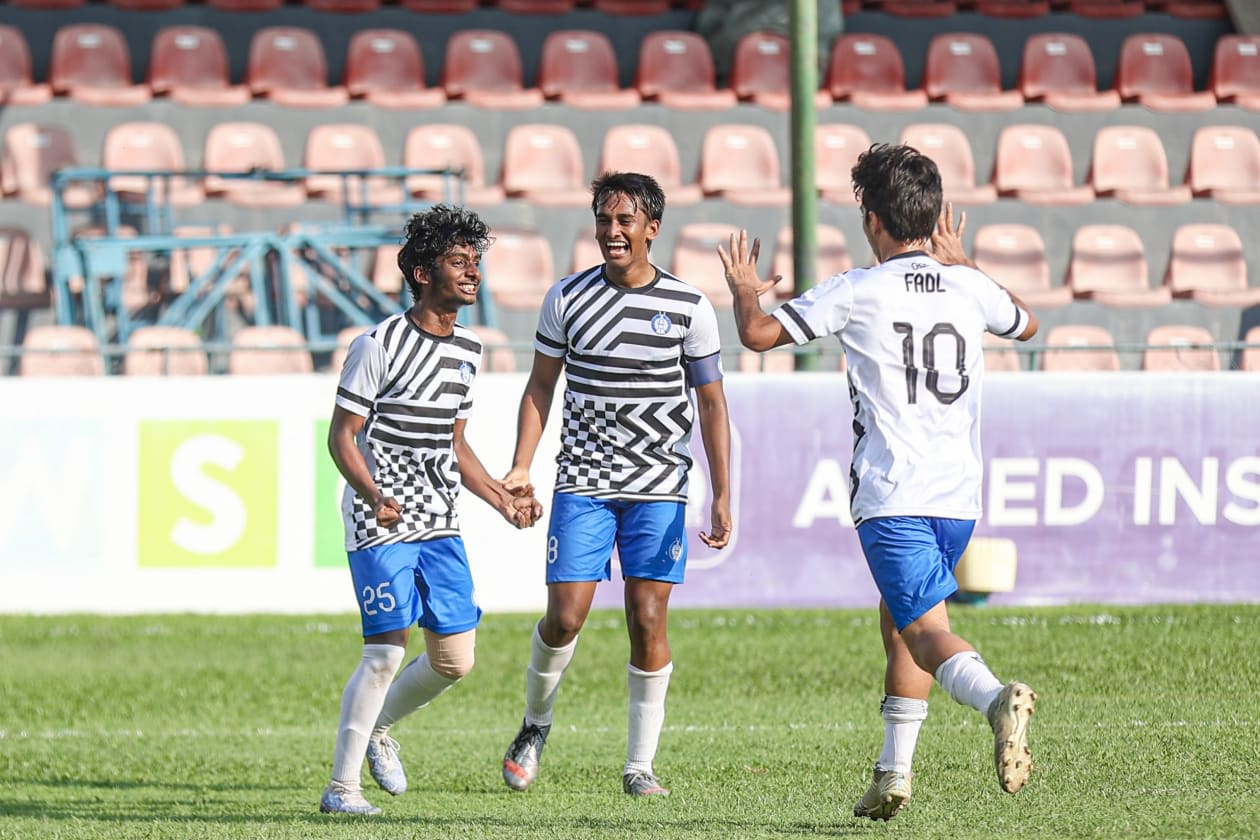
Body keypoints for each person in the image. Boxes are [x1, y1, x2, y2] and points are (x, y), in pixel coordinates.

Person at [717, 144, 1040, 821]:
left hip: (895, 496)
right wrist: (964, 263)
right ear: (932, 213)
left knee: (923, 632)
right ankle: (892, 773)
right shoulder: (966, 285)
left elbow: (757, 334)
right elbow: (1026, 321)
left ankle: (995, 700)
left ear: (871, 219)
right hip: (959, 498)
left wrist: (745, 287)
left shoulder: (857, 289)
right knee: (899, 624)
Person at [499, 171, 733, 798]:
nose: (612, 231)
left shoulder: (688, 307)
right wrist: (522, 464)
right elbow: (541, 386)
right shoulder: (567, 298)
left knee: (647, 618)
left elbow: (712, 403)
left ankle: (639, 766)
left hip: (659, 482)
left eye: (624, 220)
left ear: (652, 228)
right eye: (604, 220)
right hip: (584, 478)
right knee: (565, 617)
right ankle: (535, 723)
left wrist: (721, 492)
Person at [320, 205, 543, 815]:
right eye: (458, 261)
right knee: (385, 652)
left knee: (455, 660)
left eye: (476, 261)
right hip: (380, 517)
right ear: (422, 273)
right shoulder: (378, 345)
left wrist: (501, 499)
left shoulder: (470, 348)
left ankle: (378, 729)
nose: (472, 272)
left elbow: (454, 442)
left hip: (439, 517)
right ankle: (341, 790)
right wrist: (373, 495)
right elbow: (342, 437)